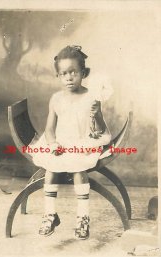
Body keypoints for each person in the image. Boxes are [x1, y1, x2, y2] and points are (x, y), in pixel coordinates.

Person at [31, 45, 113, 239]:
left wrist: (98, 114)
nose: (68, 77)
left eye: (73, 72)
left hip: (82, 143)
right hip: (61, 144)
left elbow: (99, 130)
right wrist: (52, 144)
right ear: (58, 76)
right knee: (50, 168)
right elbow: (49, 129)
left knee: (78, 169)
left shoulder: (91, 97)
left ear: (83, 73)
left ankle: (83, 218)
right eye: (63, 74)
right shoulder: (56, 99)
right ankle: (50, 214)